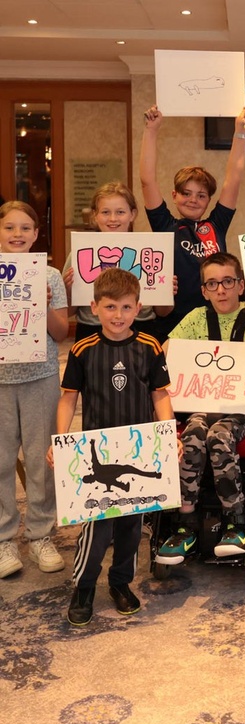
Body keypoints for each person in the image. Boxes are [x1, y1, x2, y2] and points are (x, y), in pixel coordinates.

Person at [52, 268, 176, 625]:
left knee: (131, 525)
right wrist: (62, 442)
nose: (117, 315)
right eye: (109, 307)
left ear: (138, 307)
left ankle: (120, 582)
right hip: (96, 455)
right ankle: (84, 585)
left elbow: (160, 395)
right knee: (97, 524)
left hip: (139, 450)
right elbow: (68, 399)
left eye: (125, 307)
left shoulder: (149, 347)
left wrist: (168, 436)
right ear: (94, 307)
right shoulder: (83, 349)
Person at [155, 253, 245, 562]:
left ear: (241, 286)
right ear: (204, 290)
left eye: (228, 282)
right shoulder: (194, 319)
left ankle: (237, 522)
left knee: (219, 434)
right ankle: (185, 523)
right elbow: (160, 360)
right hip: (204, 404)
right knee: (192, 432)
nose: (221, 290)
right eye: (213, 284)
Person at [139, 104, 245, 340]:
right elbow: (147, 181)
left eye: (201, 195)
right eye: (186, 193)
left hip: (216, 319)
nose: (193, 200)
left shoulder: (216, 225)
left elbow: (233, 180)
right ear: (174, 195)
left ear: (209, 200)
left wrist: (240, 133)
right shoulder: (165, 225)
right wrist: (151, 130)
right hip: (173, 321)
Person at [0, 201, 69, 578]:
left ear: (36, 234)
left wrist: (40, 305)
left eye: (26, 228)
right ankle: (3, 541)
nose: (17, 235)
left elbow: (60, 334)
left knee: (43, 461)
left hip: (40, 378)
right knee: (0, 462)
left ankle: (42, 534)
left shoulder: (50, 275)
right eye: (10, 227)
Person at [62, 181, 174, 341]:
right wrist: (67, 290)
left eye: (120, 212)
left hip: (141, 328)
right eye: (105, 212)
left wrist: (166, 291)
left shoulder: (150, 251)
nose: (113, 218)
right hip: (92, 330)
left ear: (132, 214)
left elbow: (163, 312)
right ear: (95, 215)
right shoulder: (80, 253)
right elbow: (68, 312)